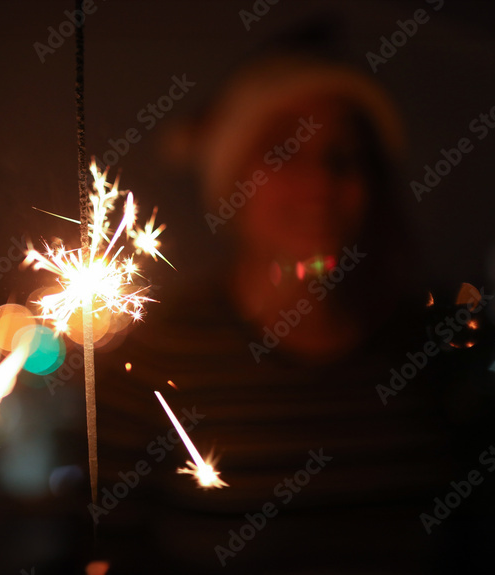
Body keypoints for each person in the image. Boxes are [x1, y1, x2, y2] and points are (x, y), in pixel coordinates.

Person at [90, 53, 463, 574]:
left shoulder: (428, 349)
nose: (320, 180)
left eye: (346, 155)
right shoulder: (156, 364)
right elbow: (108, 551)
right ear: (230, 181)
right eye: (284, 151)